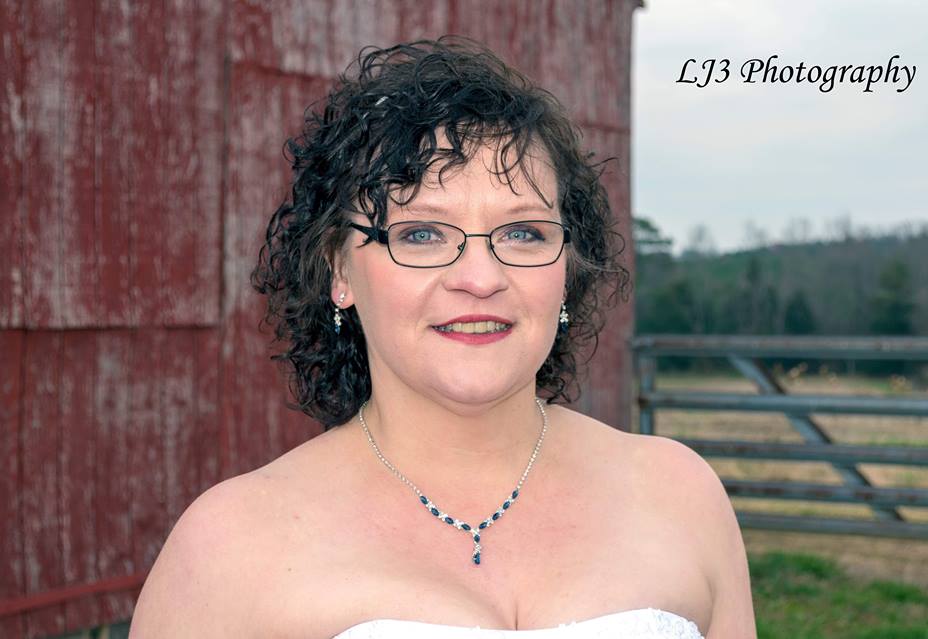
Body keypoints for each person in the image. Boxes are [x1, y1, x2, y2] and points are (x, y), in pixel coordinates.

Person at [130, 37, 755, 638]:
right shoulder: (230, 544)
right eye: (421, 234)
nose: (481, 278)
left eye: (524, 233)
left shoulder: (680, 493)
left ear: (568, 268)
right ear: (339, 271)